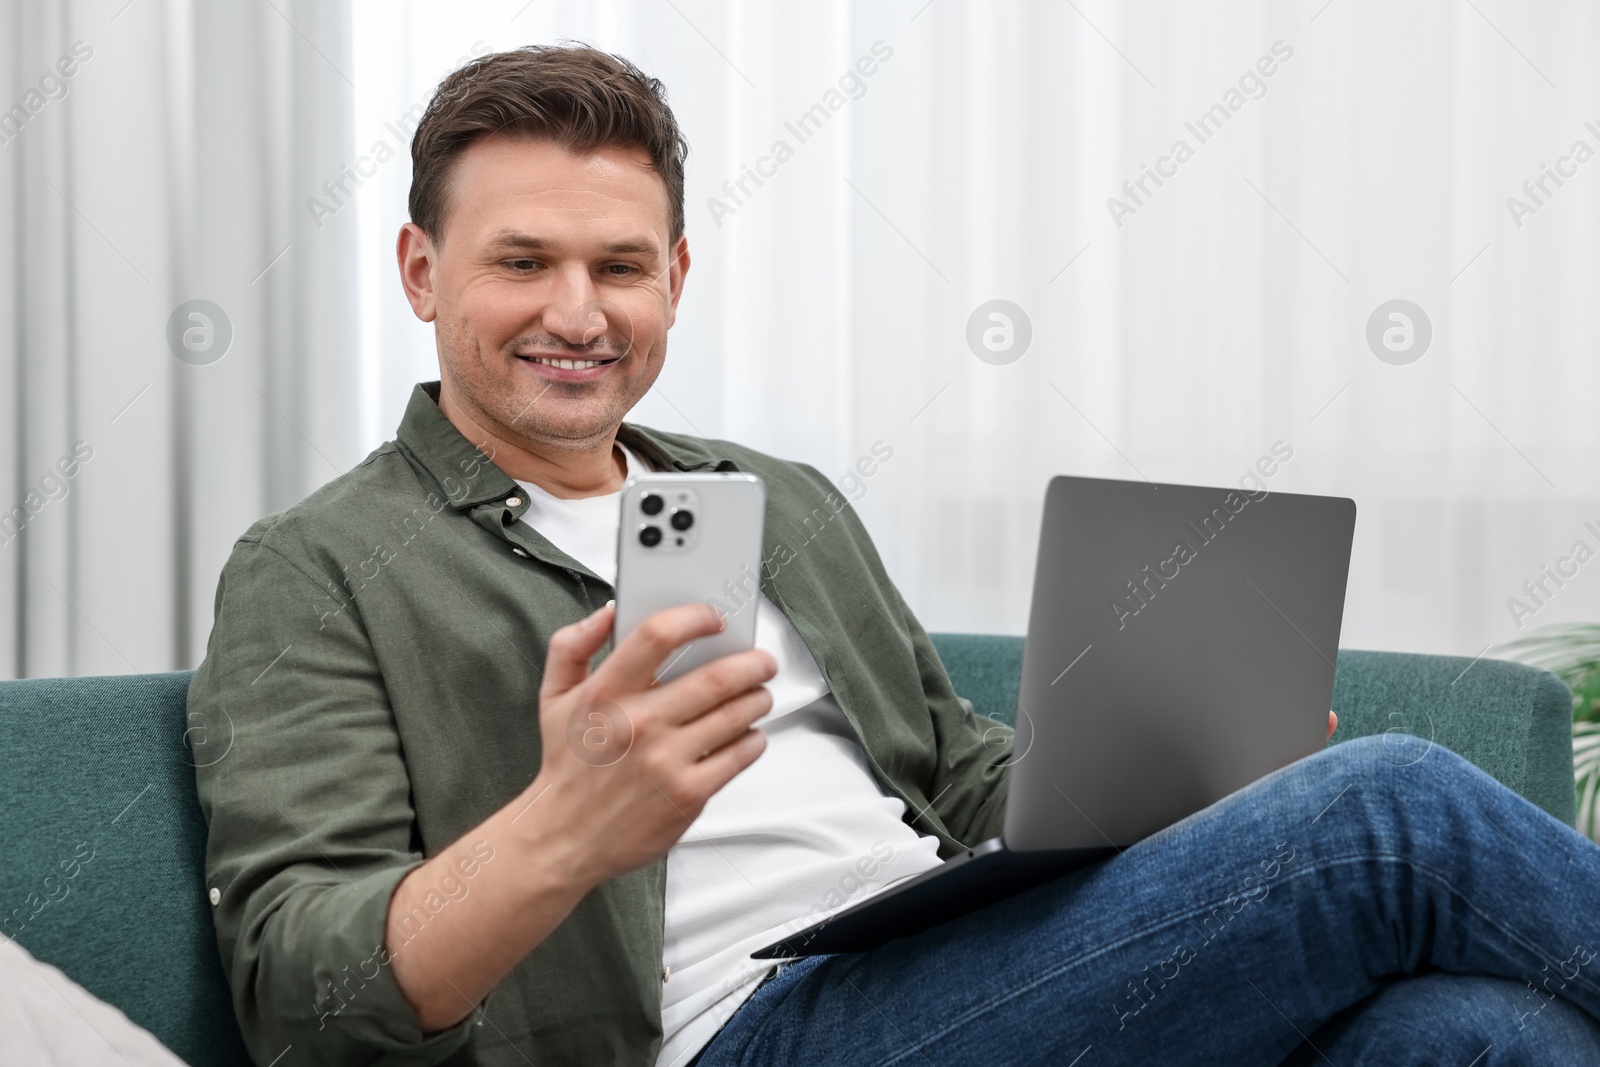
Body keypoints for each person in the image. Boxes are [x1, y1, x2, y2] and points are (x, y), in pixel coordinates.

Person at [187, 44, 1600, 1067]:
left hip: (943, 975)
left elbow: (958, 774)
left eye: (620, 266)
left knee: (1484, 1035)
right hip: (736, 1034)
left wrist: (1200, 789)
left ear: (676, 277)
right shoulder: (316, 567)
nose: (579, 310)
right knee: (1393, 812)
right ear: (422, 272)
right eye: (520, 262)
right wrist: (569, 826)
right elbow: (304, 997)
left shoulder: (774, 500)